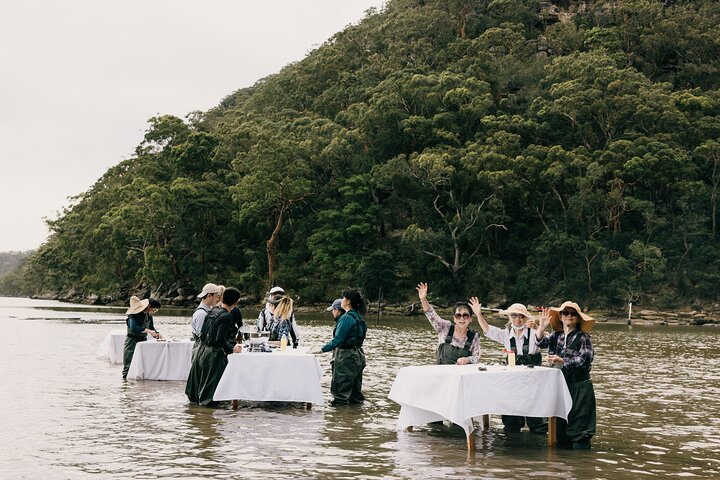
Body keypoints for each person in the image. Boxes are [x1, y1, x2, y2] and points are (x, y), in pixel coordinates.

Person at [470, 299, 547, 434]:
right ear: (509, 317)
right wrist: (478, 314)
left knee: (537, 421)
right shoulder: (505, 334)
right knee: (512, 422)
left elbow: (546, 340)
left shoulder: (534, 331)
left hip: (533, 381)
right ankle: (512, 447)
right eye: (514, 316)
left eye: (521, 316)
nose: (517, 319)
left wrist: (538, 327)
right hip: (513, 381)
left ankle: (539, 446)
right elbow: (487, 330)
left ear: (525, 317)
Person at [536, 301, 597, 449]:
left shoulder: (583, 338)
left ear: (577, 318)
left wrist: (562, 360)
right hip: (559, 386)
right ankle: (562, 465)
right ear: (560, 317)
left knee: (580, 430)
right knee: (559, 428)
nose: (569, 316)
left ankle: (581, 463)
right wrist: (542, 327)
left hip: (579, 387)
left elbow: (585, 359)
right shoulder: (556, 336)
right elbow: (540, 343)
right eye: (565, 313)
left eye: (573, 313)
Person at [185, 287, 243, 406]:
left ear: (222, 298)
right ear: (236, 303)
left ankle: (195, 414)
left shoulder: (212, 311)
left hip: (201, 350)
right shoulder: (227, 316)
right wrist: (231, 349)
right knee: (210, 391)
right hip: (213, 354)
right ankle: (207, 419)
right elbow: (219, 339)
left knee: (198, 388)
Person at [318, 288, 367, 406]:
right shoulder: (359, 317)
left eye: (344, 298)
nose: (342, 301)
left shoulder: (346, 318)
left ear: (348, 301)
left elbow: (338, 340)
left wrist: (321, 350)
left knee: (340, 393)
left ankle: (339, 421)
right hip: (358, 355)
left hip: (346, 356)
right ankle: (354, 420)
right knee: (355, 395)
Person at [416, 282, 479, 365]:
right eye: (458, 315)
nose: (462, 318)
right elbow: (431, 314)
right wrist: (423, 299)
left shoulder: (474, 336)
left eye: (465, 315)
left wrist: (467, 359)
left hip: (459, 375)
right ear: (454, 318)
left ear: (470, 319)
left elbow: (476, 358)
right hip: (441, 372)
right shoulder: (444, 327)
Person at [122, 296, 161, 379]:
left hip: (143, 341)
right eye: (154, 309)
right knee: (128, 365)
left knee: (142, 364)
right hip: (132, 342)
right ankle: (125, 385)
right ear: (149, 306)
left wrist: (157, 334)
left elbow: (151, 327)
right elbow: (134, 328)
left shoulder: (149, 316)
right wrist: (149, 331)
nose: (154, 311)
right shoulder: (133, 316)